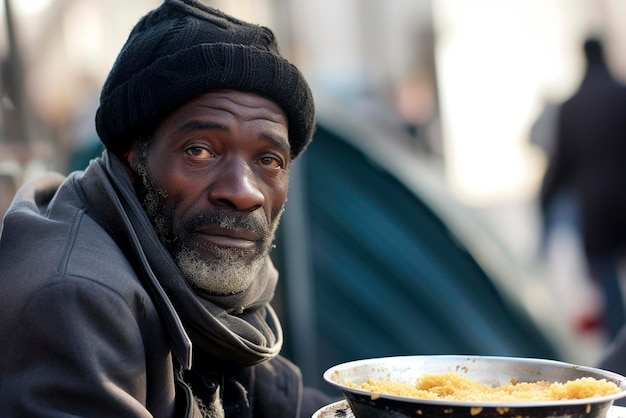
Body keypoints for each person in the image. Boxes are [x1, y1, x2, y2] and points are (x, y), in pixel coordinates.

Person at [0, 1, 331, 416]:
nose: (245, 193)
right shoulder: (76, 299)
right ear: (132, 153)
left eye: (269, 160)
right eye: (200, 151)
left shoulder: (191, 264)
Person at [539, 38, 626, 342]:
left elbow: (561, 162)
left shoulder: (572, 105)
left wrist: (543, 198)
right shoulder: (622, 95)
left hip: (596, 208)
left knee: (606, 281)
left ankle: (619, 352)